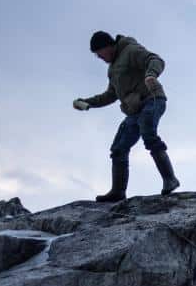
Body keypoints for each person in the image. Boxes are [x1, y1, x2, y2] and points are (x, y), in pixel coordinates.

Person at [74, 31, 180, 202]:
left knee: (148, 134)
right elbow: (110, 95)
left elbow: (155, 60)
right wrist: (87, 103)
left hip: (152, 99)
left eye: (98, 53)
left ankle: (170, 179)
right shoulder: (112, 69)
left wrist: (151, 74)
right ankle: (118, 192)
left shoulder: (130, 50)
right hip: (134, 110)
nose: (99, 57)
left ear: (107, 46)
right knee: (118, 148)